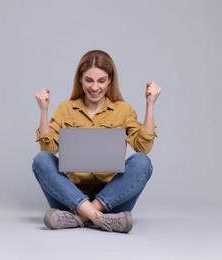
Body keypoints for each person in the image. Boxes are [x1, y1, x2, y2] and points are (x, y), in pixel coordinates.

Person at [32, 50, 161, 233]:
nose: (94, 87)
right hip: (70, 198)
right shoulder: (65, 109)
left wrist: (150, 105)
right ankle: (100, 220)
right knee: (41, 160)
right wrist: (43, 111)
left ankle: (79, 218)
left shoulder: (123, 110)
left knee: (143, 162)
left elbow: (144, 147)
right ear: (80, 80)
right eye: (89, 80)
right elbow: (48, 148)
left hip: (112, 199)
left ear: (110, 80)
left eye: (101, 80)